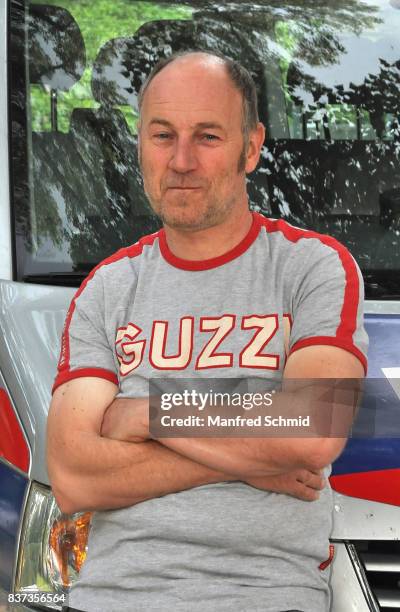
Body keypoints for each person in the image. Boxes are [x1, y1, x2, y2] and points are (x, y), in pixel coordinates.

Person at [47, 50, 368, 612]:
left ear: (251, 146)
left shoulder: (312, 267)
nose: (182, 161)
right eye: (163, 135)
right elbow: (74, 476)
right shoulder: (105, 287)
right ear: (140, 144)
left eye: (209, 137)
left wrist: (146, 414)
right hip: (110, 597)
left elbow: (312, 430)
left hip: (265, 596)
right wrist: (253, 457)